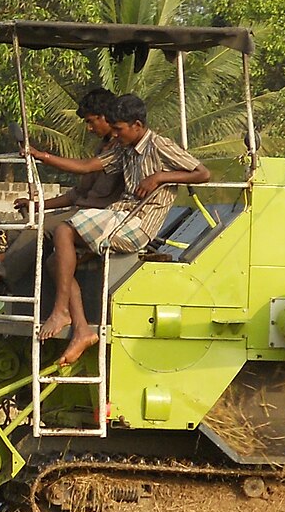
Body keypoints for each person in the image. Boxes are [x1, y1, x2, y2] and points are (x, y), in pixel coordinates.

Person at [28, 93, 210, 367]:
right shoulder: (124, 149)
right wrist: (40, 155)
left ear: (137, 125)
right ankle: (82, 328)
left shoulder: (160, 146)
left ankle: (59, 310)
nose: (114, 134)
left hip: (137, 224)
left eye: (119, 129)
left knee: (64, 230)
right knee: (56, 262)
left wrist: (160, 177)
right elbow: (86, 167)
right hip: (118, 217)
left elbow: (202, 173)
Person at [0, 88, 119, 308]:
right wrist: (39, 205)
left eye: (91, 122)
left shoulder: (121, 150)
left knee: (36, 228)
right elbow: (77, 194)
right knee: (10, 231)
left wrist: (41, 155)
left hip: (98, 217)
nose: (89, 129)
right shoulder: (103, 147)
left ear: (106, 116)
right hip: (79, 211)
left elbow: (84, 168)